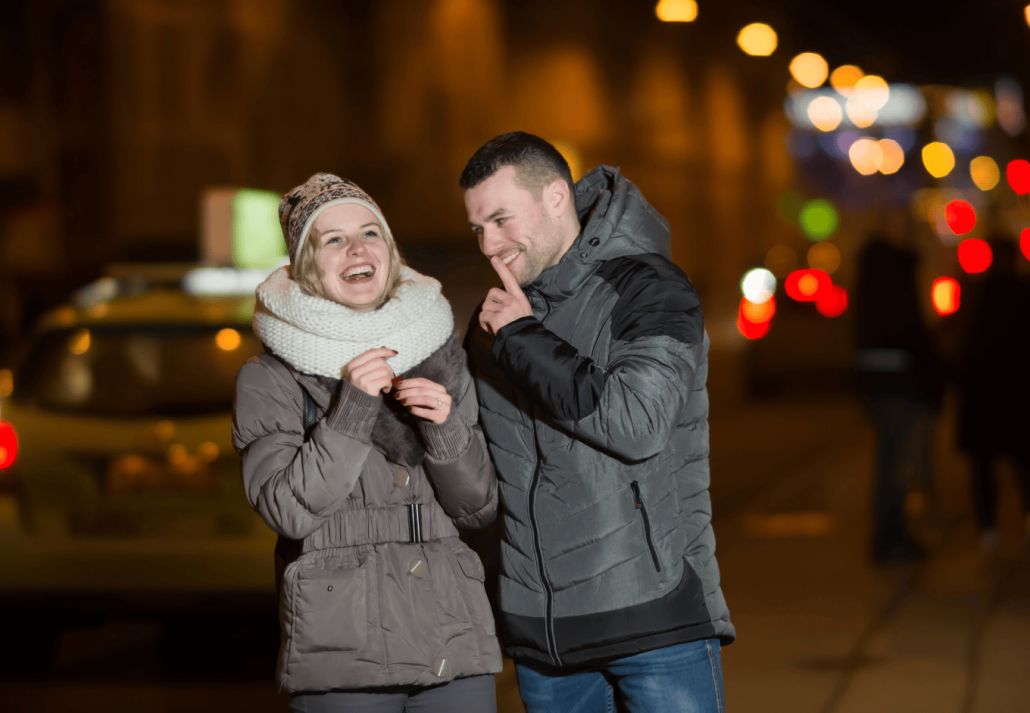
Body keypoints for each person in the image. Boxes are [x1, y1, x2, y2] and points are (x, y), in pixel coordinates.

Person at [460, 132, 733, 713]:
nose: (491, 244)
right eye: (479, 228)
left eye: (503, 219)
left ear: (557, 197)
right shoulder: (496, 323)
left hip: (653, 620)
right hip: (545, 639)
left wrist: (521, 337)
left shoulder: (648, 287)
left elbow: (638, 423)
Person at [232, 173, 502, 712]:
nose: (356, 248)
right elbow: (289, 509)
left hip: (451, 640)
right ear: (306, 264)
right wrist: (352, 408)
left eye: (370, 232)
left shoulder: (441, 354)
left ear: (390, 250)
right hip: (344, 651)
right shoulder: (270, 377)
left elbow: (478, 508)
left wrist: (446, 429)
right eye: (332, 239)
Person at [852, 235, 944, 563]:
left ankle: (888, 534)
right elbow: (914, 335)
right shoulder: (897, 291)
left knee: (889, 464)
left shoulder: (868, 290)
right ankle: (891, 537)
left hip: (878, 389)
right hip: (903, 389)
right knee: (897, 467)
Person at [955, 235, 1030, 549]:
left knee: (983, 467)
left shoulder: (978, 293)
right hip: (1018, 397)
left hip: (984, 397)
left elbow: (965, 345)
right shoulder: (1024, 292)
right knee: (1024, 464)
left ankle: (988, 528)